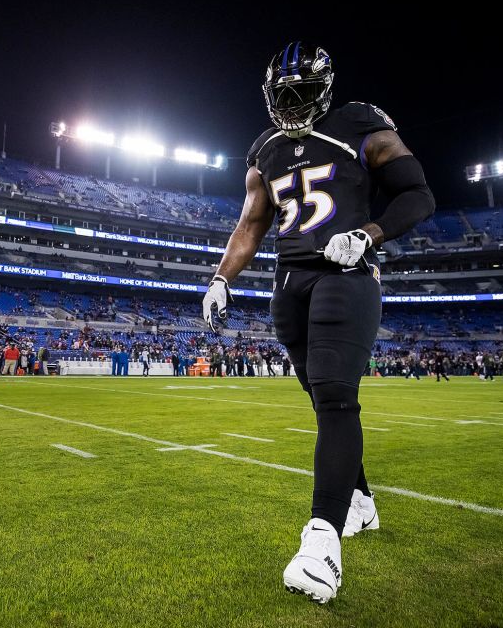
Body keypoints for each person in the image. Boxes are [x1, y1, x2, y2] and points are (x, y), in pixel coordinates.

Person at [202, 42, 434, 604]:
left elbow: (418, 194)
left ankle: (322, 544)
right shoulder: (265, 148)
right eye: (281, 96)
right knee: (319, 397)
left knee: (334, 398)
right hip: (289, 282)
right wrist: (221, 278)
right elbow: (252, 225)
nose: (290, 105)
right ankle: (361, 502)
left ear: (324, 89)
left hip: (345, 272)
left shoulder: (358, 123)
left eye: (300, 93)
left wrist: (368, 236)